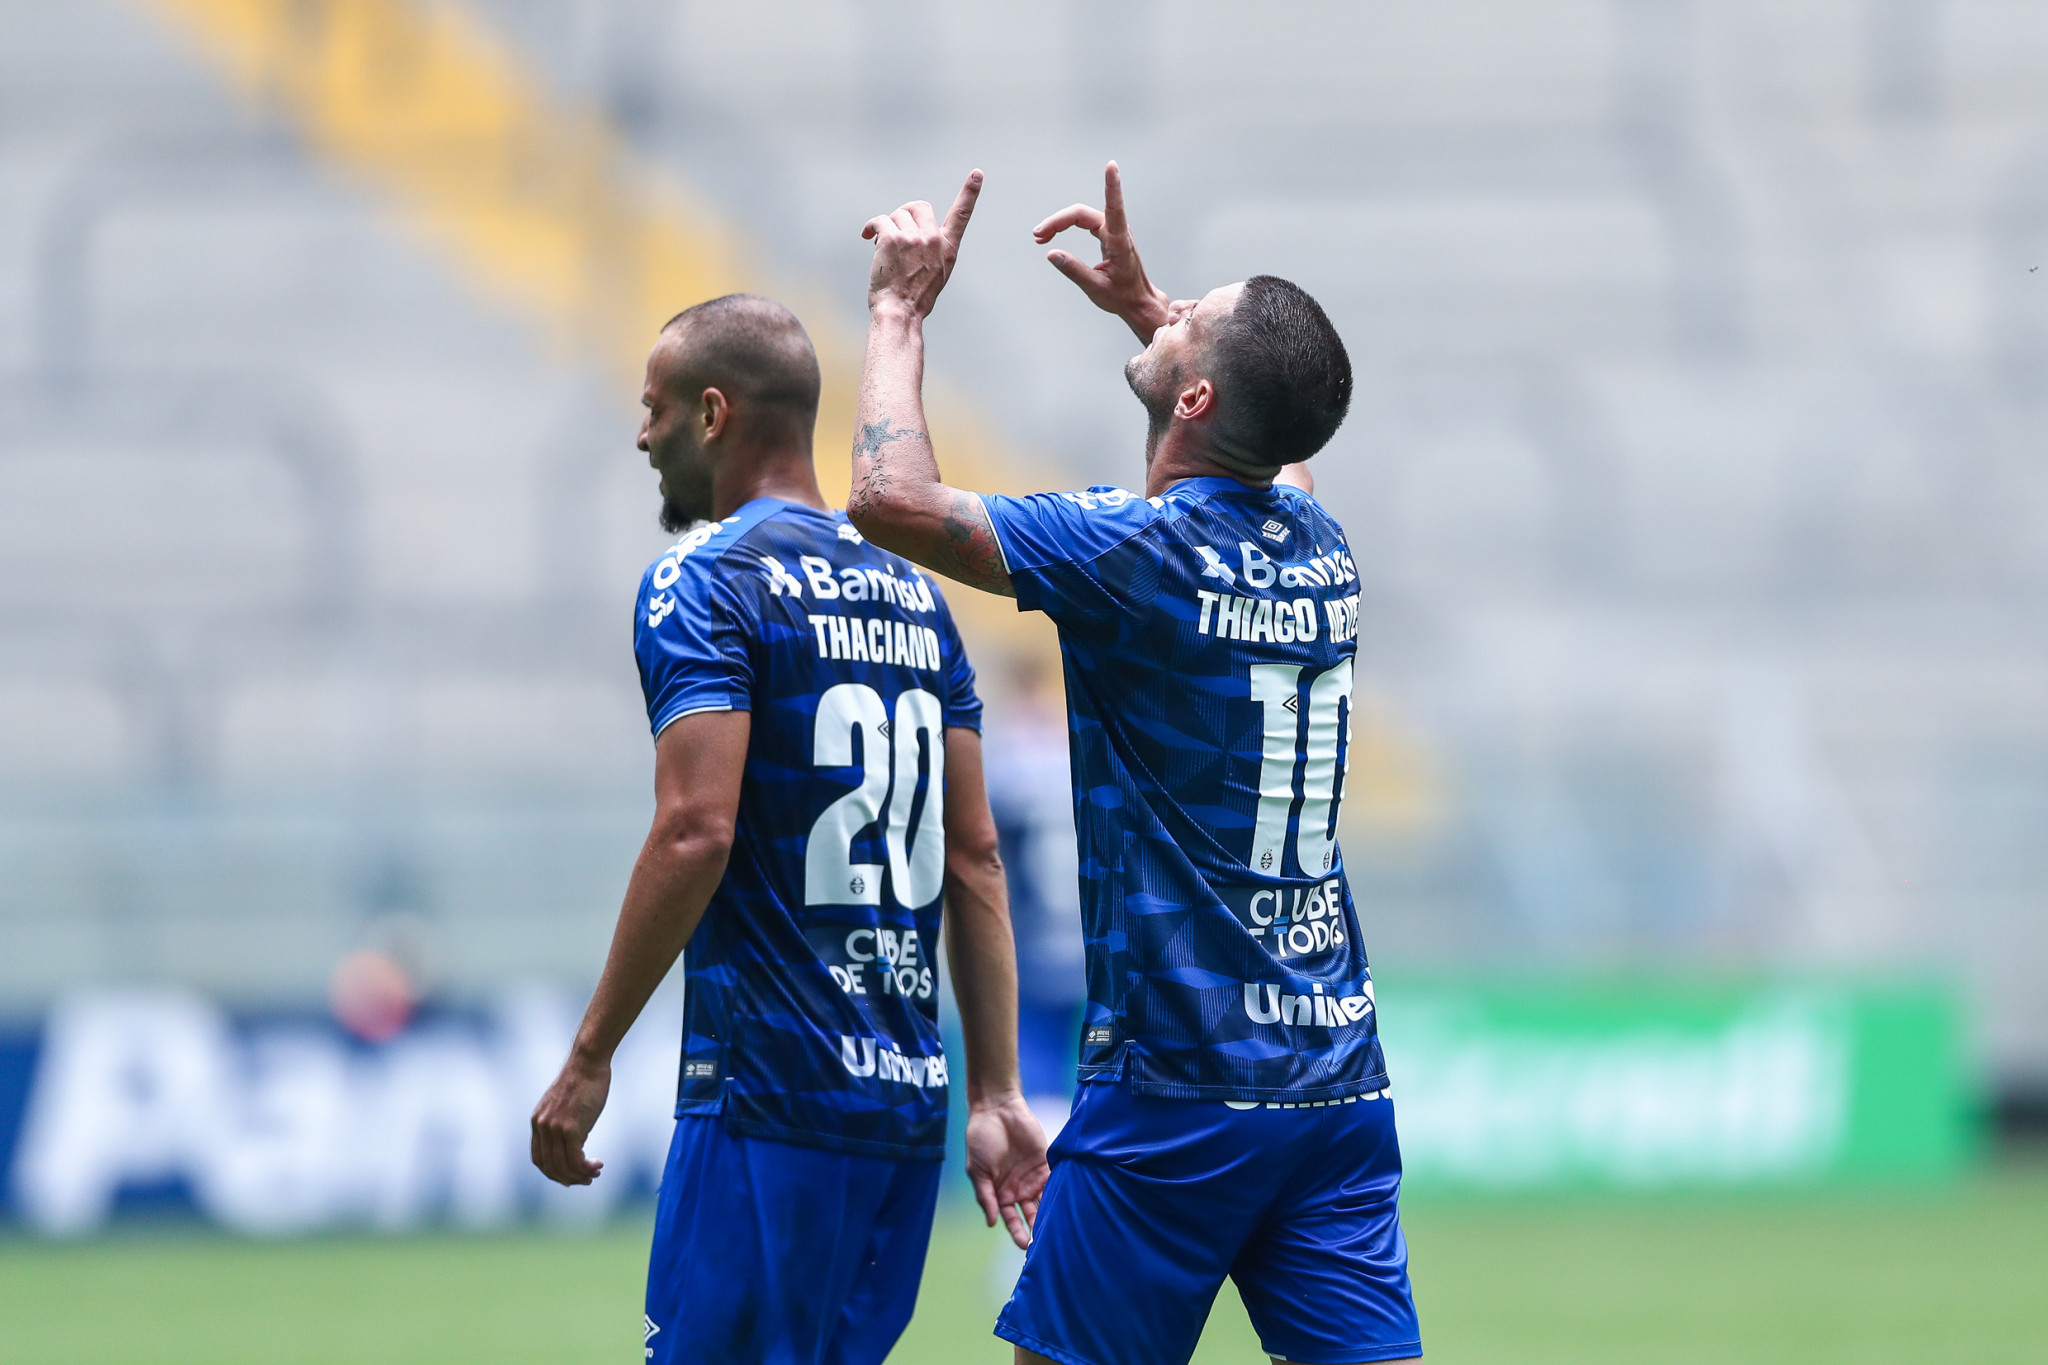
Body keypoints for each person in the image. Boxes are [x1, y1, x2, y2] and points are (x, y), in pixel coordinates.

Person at [847, 168, 1421, 1365]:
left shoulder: (1131, 554)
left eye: (1190, 315)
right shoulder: (1319, 542)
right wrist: (1158, 321)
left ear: (1197, 394)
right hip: (1332, 1081)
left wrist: (898, 310)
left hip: (1179, 1084)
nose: (1174, 307)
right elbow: (1270, 442)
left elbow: (887, 500)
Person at [529, 294, 1049, 1365]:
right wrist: (995, 1089)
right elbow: (974, 856)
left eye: (654, 407)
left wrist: (589, 1056)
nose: (641, 436)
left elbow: (695, 829)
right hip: (904, 1106)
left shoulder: (705, 579)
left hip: (767, 1093)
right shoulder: (918, 599)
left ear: (713, 413)